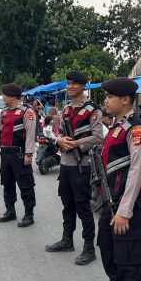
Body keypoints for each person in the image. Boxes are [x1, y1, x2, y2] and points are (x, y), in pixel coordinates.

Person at [90, 77, 141, 281]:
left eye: (109, 97)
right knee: (108, 251)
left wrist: (124, 211)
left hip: (125, 207)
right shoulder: (116, 127)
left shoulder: (136, 129)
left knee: (128, 260)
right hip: (108, 204)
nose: (105, 101)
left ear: (125, 99)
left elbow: (136, 172)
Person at [45, 70, 103, 266]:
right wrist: (60, 140)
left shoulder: (92, 110)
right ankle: (67, 239)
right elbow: (59, 133)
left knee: (83, 207)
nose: (69, 86)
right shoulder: (67, 108)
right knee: (67, 204)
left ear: (83, 86)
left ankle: (89, 247)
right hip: (65, 164)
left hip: (82, 165)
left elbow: (98, 137)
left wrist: (76, 144)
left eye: (73, 83)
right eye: (68, 83)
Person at [0, 83, 37, 228]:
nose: (2, 97)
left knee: (26, 185)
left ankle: (29, 215)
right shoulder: (4, 112)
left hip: (20, 154)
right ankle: (10, 211)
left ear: (12, 96)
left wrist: (29, 153)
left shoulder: (27, 112)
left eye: (4, 95)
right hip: (6, 154)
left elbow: (30, 134)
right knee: (7, 184)